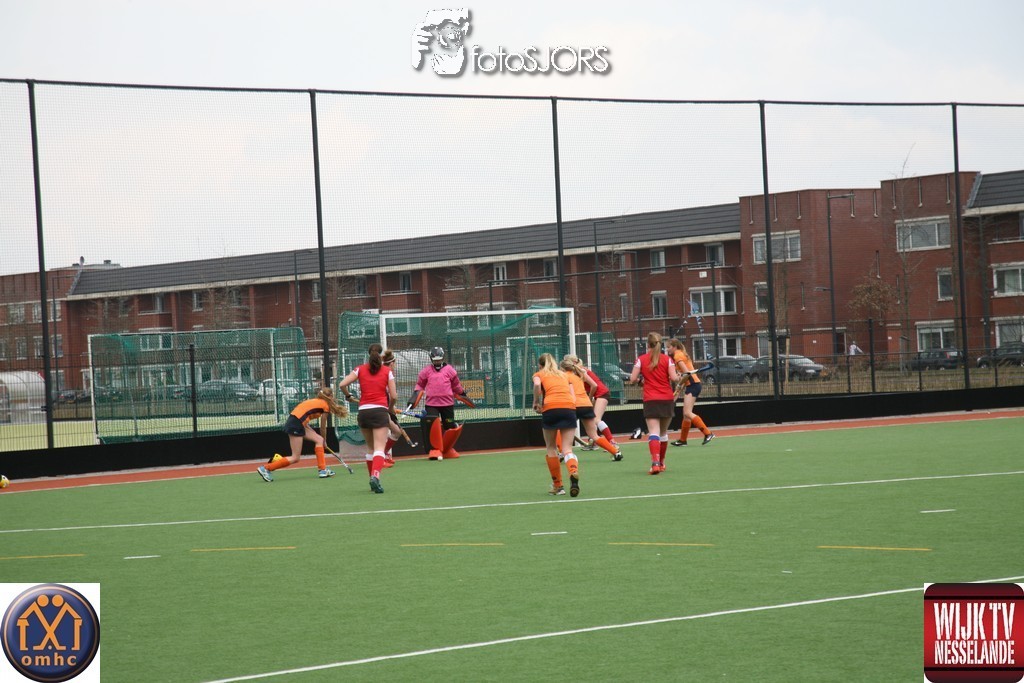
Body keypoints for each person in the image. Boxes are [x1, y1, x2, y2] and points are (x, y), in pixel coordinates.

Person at [338, 343, 398, 494]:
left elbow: (342, 384)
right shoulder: (387, 371)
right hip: (380, 412)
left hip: (363, 412)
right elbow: (394, 396)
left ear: (368, 354)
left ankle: (372, 479)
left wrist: (348, 396)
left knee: (371, 449)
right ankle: (375, 477)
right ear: (381, 355)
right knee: (379, 448)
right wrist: (390, 408)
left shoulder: (359, 369)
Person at [257, 387, 348, 482]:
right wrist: (325, 441)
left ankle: (323, 470)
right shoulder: (325, 406)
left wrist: (317, 436)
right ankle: (265, 468)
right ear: (331, 396)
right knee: (295, 458)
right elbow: (323, 427)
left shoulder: (315, 401)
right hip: (295, 424)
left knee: (319, 440)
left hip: (296, 422)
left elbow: (303, 418)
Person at [628, 332, 681, 475]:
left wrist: (641, 381)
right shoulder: (668, 360)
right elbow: (674, 378)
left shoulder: (641, 359)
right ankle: (662, 463)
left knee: (654, 432)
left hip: (651, 399)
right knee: (663, 433)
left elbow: (632, 379)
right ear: (660, 343)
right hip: (667, 399)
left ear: (647, 344)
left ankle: (655, 463)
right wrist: (680, 376)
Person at [533, 353, 581, 497]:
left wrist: (536, 402)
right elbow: (573, 397)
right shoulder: (564, 375)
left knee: (551, 447)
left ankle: (558, 486)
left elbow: (537, 385)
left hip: (551, 409)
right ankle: (573, 471)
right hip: (569, 408)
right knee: (567, 449)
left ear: (540, 365)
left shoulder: (539, 374)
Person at [408, 346, 469, 460]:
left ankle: (447, 449)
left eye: (439, 360)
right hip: (432, 404)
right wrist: (414, 398)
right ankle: (435, 450)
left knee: (449, 425)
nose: (437, 362)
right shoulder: (426, 371)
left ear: (442, 358)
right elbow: (420, 385)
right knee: (432, 427)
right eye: (435, 360)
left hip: (447, 404)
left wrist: (462, 393)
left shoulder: (450, 370)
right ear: (431, 359)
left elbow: (456, 385)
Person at [561, 356, 622, 461]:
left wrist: (589, 397)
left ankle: (562, 453)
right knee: (594, 433)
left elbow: (594, 386)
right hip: (586, 404)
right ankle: (615, 452)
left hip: (597, 395)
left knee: (562, 428)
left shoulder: (577, 372)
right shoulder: (579, 372)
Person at [666, 338, 714, 447]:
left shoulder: (677, 356)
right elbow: (686, 375)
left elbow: (687, 374)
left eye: (668, 347)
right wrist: (679, 389)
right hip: (692, 384)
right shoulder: (681, 354)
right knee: (686, 415)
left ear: (674, 347)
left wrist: (679, 386)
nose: (667, 349)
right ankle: (683, 440)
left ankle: (708, 433)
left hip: (693, 385)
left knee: (687, 412)